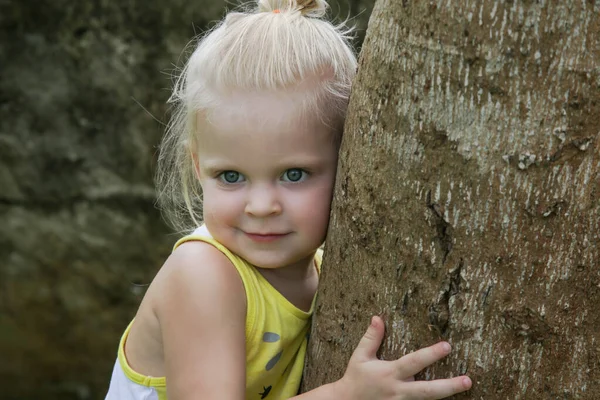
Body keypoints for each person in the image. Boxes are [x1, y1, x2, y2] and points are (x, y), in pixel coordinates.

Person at [105, 0, 472, 399]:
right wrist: (347, 395)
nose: (261, 206)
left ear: (350, 166)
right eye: (231, 176)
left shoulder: (327, 267)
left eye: (293, 175)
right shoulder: (202, 276)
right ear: (198, 165)